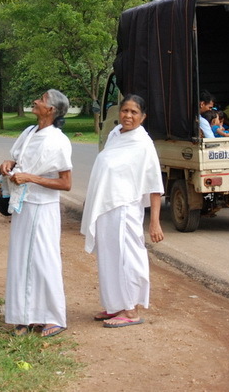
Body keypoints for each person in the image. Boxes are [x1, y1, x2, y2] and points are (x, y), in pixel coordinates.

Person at [81, 94, 164, 328]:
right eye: (124, 110)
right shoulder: (115, 135)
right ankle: (114, 305)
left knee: (128, 258)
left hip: (126, 209)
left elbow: (154, 185)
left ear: (143, 117)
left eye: (134, 112)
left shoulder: (143, 145)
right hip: (107, 207)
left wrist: (155, 222)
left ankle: (131, 310)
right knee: (108, 258)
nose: (128, 116)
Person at [0, 89, 73, 338]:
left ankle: (54, 317)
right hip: (23, 205)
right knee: (20, 261)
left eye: (41, 100)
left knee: (44, 261)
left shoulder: (59, 141)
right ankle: (23, 317)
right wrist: (8, 165)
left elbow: (66, 183)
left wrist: (31, 177)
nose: (35, 101)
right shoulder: (29, 132)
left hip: (43, 209)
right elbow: (14, 159)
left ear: (51, 110)